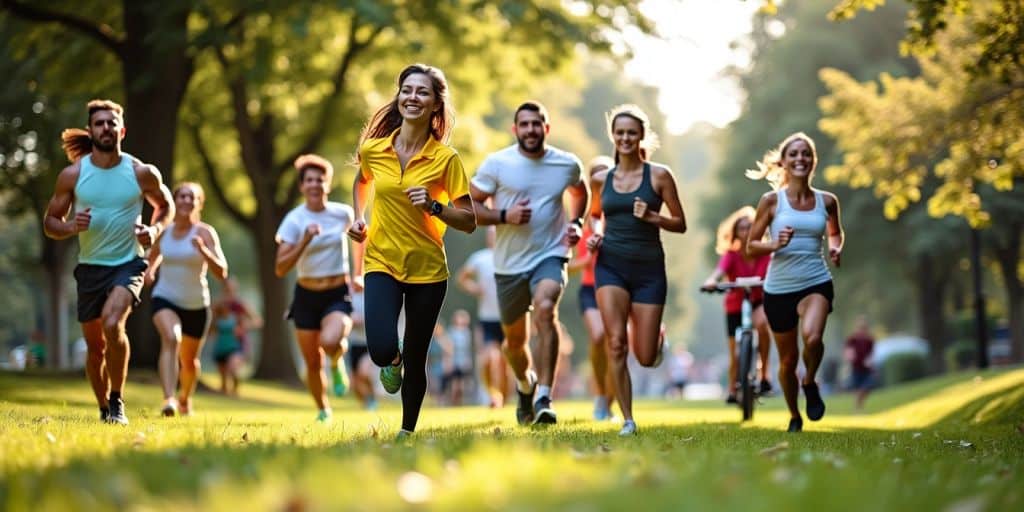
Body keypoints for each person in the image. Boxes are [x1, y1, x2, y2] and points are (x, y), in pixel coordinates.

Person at [347, 63, 476, 440]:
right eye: (407, 90)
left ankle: (406, 432)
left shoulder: (445, 159)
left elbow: (469, 220)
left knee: (418, 357)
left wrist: (436, 207)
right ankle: (393, 360)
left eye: (422, 92)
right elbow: (361, 181)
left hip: (427, 270)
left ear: (436, 104)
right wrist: (359, 219)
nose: (413, 97)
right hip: (381, 260)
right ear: (398, 96)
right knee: (381, 347)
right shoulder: (374, 150)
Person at [43, 99, 173, 425]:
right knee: (95, 347)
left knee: (113, 324)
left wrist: (154, 230)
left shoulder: (141, 172)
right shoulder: (73, 175)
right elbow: (50, 222)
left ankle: (117, 402)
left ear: (122, 130)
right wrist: (72, 226)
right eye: (99, 123)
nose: (105, 128)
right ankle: (103, 407)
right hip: (90, 267)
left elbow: (165, 205)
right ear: (91, 131)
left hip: (128, 263)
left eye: (111, 123)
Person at [469, 100, 589, 426]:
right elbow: (467, 207)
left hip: (550, 254)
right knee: (514, 345)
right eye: (524, 124)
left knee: (546, 307)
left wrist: (576, 222)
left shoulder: (566, 164)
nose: (531, 130)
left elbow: (580, 192)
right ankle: (526, 384)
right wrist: (504, 215)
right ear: (515, 129)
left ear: (546, 129)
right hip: (508, 265)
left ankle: (544, 397)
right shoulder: (498, 164)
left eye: (537, 124)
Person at [587, 104, 686, 436]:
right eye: (620, 133)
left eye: (632, 132)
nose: (625, 138)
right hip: (610, 266)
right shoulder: (602, 179)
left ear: (642, 136)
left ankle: (657, 337)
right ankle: (628, 419)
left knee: (644, 357)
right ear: (612, 137)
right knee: (616, 343)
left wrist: (653, 217)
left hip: (648, 271)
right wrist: (596, 236)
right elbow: (596, 215)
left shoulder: (659, 176)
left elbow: (680, 223)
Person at [746, 132, 844, 433]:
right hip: (779, 289)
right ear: (784, 162)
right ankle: (794, 415)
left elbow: (835, 232)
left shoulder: (826, 201)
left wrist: (836, 247)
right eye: (794, 154)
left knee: (813, 339)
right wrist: (774, 244)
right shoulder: (771, 201)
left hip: (815, 281)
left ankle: (810, 380)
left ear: (812, 161)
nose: (800, 158)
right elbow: (750, 246)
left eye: (806, 154)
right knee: (787, 360)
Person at [275, 153, 356, 423]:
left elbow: (361, 240)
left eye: (320, 180)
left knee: (330, 341)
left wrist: (359, 274)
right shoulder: (294, 220)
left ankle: (336, 362)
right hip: (306, 295)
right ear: (301, 186)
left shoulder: (343, 214)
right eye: (309, 180)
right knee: (311, 361)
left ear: (327, 185)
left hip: (337, 291)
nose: (314, 185)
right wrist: (304, 241)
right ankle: (323, 409)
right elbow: (280, 267)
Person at [145, 182, 228, 416]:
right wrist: (149, 271)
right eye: (181, 196)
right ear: (174, 200)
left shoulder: (204, 233)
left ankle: (184, 399)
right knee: (171, 338)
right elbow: (153, 257)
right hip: (165, 296)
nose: (186, 201)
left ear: (198, 203)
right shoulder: (164, 230)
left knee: (190, 362)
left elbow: (222, 271)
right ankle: (168, 399)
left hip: (196, 304)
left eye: (191, 197)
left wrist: (204, 251)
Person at [701, 207, 773, 404]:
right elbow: (719, 272)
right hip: (735, 304)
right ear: (735, 233)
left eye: (750, 227)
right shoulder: (731, 255)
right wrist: (711, 281)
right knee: (734, 352)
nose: (746, 232)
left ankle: (765, 374)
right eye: (741, 228)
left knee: (763, 325)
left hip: (759, 300)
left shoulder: (765, 254)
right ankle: (733, 388)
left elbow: (774, 272)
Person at [569, 155, 616, 420]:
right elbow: (569, 265)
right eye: (596, 173)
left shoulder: (620, 214)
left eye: (606, 172)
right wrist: (587, 259)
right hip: (590, 290)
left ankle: (608, 403)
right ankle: (600, 395)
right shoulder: (584, 220)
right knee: (599, 338)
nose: (601, 177)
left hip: (619, 287)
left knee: (617, 345)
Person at [457, 226, 508, 407]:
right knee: (488, 360)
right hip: (487, 319)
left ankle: (504, 397)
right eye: (491, 234)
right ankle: (494, 394)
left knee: (504, 364)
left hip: (508, 317)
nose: (494, 237)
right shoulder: (480, 258)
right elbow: (461, 278)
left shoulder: (509, 256)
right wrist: (474, 288)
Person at [210, 277, 261, 396]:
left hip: (238, 343)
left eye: (231, 289)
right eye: (227, 289)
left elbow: (257, 321)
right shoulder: (218, 306)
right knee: (223, 381)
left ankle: (236, 391)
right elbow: (211, 324)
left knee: (232, 367)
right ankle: (227, 397)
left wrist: (243, 328)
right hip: (221, 344)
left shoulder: (240, 305)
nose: (229, 291)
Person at [347, 290, 377, 410]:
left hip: (368, 343)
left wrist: (362, 319)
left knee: (363, 372)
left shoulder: (371, 295)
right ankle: (367, 401)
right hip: (354, 344)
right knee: (355, 382)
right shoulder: (350, 296)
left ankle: (372, 396)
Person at [442, 310, 474, 406]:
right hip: (454, 362)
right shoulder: (451, 331)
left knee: (462, 386)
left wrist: (469, 361)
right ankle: (452, 402)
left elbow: (468, 348)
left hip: (463, 362)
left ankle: (459, 403)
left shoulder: (467, 332)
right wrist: (448, 362)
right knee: (454, 385)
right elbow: (448, 348)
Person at [844, 315, 874, 411]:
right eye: (860, 328)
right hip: (856, 368)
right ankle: (858, 408)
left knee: (866, 388)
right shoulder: (852, 339)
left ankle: (858, 405)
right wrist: (850, 357)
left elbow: (871, 353)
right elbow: (847, 351)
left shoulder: (870, 340)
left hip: (866, 369)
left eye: (863, 328)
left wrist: (869, 361)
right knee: (857, 390)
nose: (862, 330)